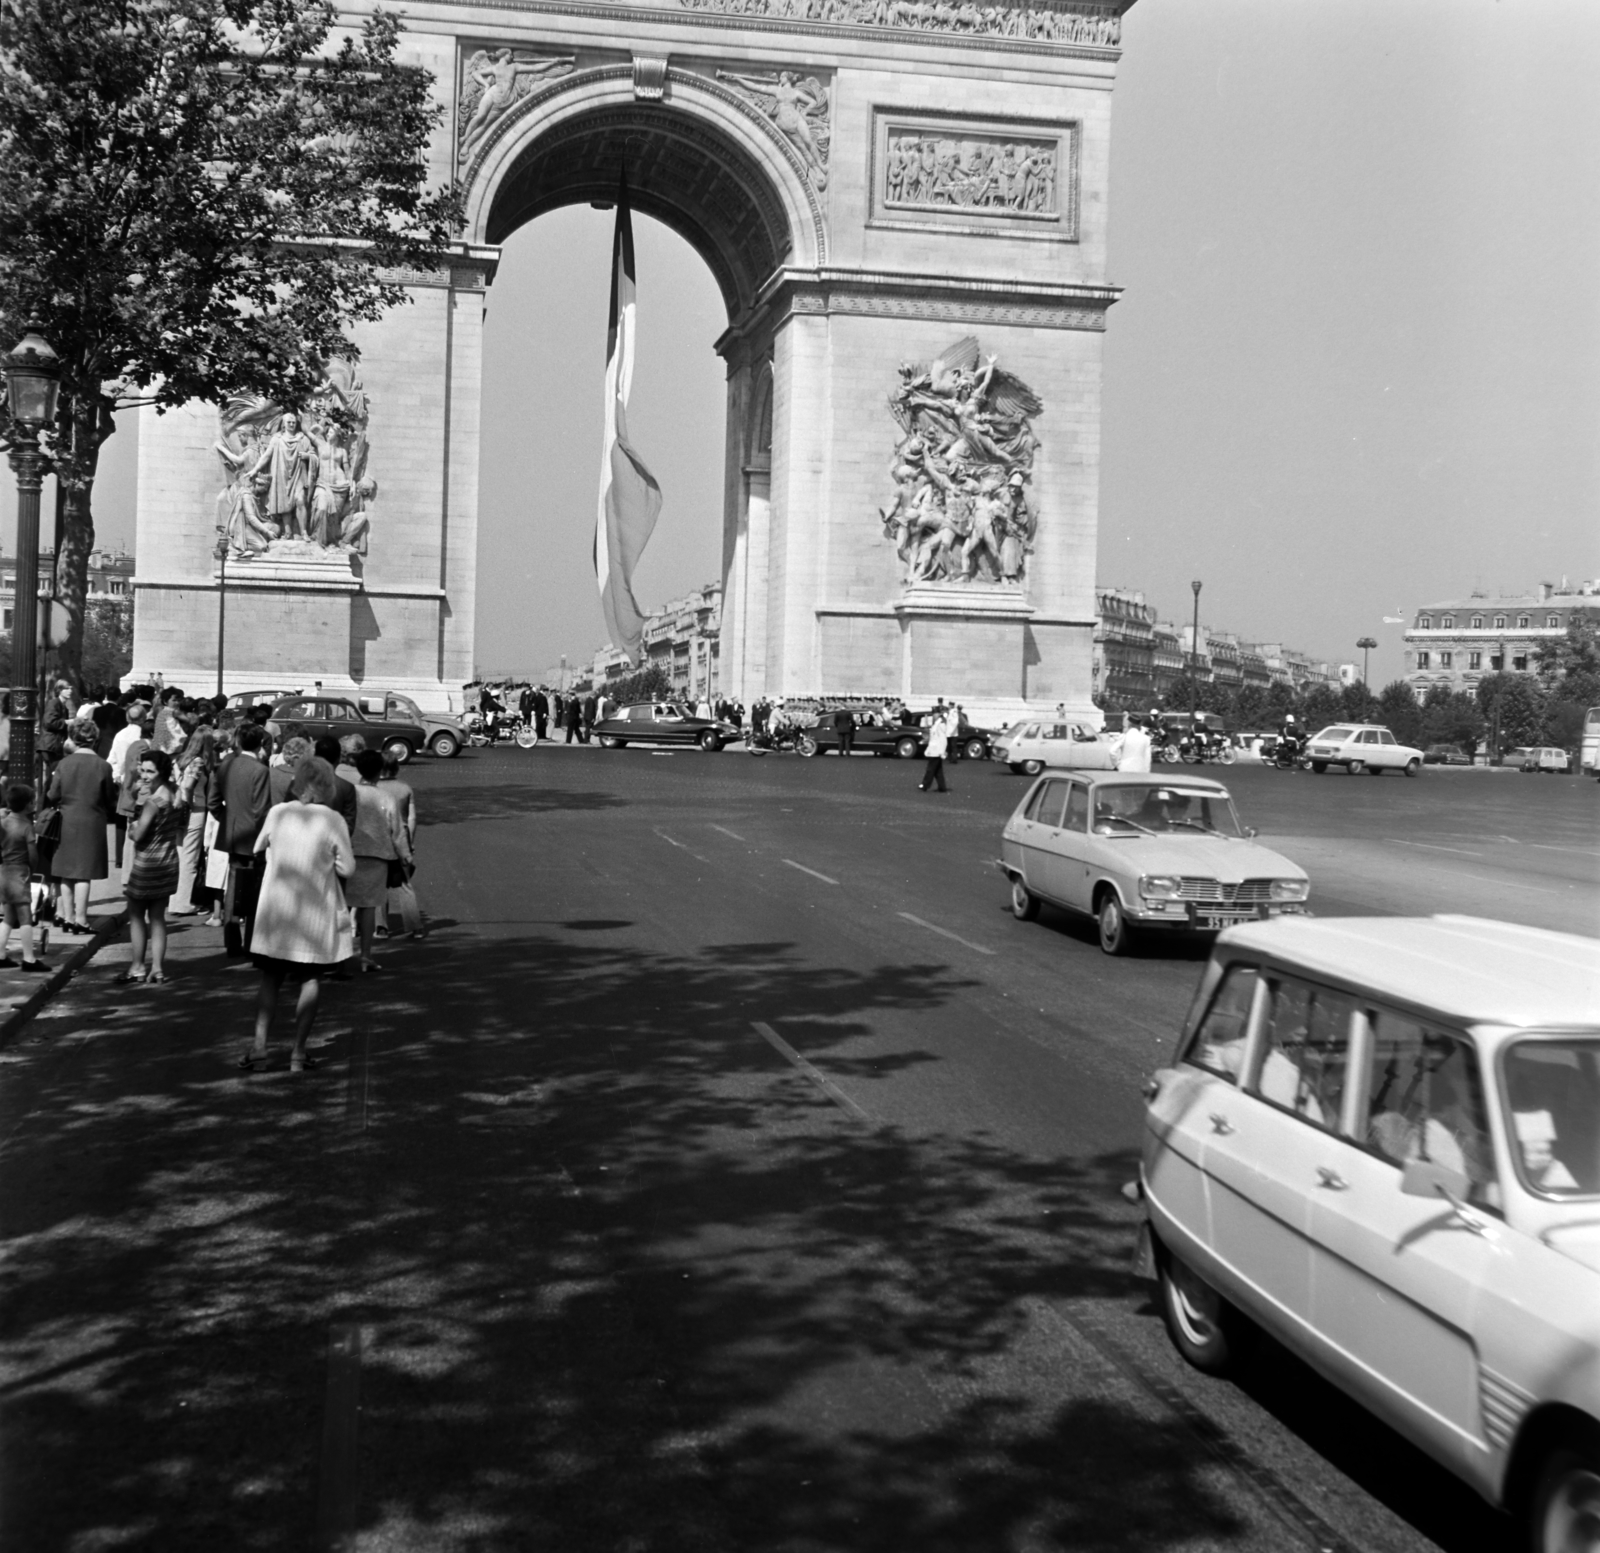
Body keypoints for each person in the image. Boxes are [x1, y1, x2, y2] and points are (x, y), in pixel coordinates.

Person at [240, 757, 355, 1073]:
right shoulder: (333, 820)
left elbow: (258, 846)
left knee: (270, 979)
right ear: (327, 785)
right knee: (309, 978)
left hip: (277, 912)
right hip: (313, 914)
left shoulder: (279, 813)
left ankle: (260, 1047)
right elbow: (348, 867)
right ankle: (298, 1052)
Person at [46, 718, 116, 935]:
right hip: (92, 820)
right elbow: (109, 798)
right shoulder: (103, 766)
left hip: (66, 819)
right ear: (94, 739)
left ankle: (67, 918)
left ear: (73, 738)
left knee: (66, 873)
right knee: (83, 874)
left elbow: (52, 795)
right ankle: (81, 919)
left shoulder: (63, 765)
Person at [348, 748, 411, 971]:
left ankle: (339, 956)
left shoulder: (350, 793)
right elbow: (397, 831)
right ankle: (365, 956)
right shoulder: (386, 797)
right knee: (367, 908)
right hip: (377, 857)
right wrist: (405, 856)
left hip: (349, 853)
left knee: (343, 906)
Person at [212, 723, 273, 952]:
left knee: (233, 885)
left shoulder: (226, 765)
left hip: (232, 833)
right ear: (259, 744)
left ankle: (232, 941)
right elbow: (261, 810)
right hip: (253, 836)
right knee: (253, 889)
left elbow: (213, 801)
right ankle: (251, 942)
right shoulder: (260, 770)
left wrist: (228, 820)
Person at [123, 749, 181, 984]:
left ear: (161, 772)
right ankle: (157, 968)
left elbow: (138, 835)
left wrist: (131, 826)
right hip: (168, 861)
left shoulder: (153, 802)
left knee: (136, 915)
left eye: (150, 771)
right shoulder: (175, 794)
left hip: (148, 863)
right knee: (157, 917)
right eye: (142, 770)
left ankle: (137, 966)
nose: (144, 775)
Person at [377, 750, 425, 939]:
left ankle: (381, 927)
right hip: (401, 836)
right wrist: (409, 842)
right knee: (405, 883)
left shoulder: (374, 788)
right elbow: (412, 818)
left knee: (380, 884)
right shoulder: (405, 789)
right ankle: (415, 927)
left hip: (380, 838)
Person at [0, 782, 47, 973]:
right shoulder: (27, 826)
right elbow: (33, 853)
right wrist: (32, 868)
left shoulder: (3, 823)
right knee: (26, 917)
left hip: (3, 872)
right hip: (19, 873)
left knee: (8, 918)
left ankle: (0, 954)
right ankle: (29, 959)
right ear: (28, 805)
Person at [919, 703, 956, 793]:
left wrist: (942, 751)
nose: (933, 715)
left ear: (939, 714)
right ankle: (942, 787)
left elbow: (943, 739)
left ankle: (925, 785)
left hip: (937, 751)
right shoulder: (937, 723)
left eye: (935, 713)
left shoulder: (940, 724)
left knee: (930, 769)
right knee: (938, 771)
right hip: (934, 750)